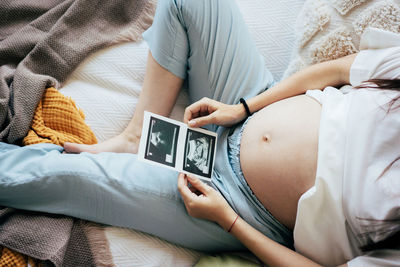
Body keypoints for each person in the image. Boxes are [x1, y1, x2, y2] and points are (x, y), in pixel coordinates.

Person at [1, 0, 399, 266]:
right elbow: (339, 71)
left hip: (239, 205)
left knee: (65, 179)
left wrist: (228, 222)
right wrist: (242, 108)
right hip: (248, 105)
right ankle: (134, 136)